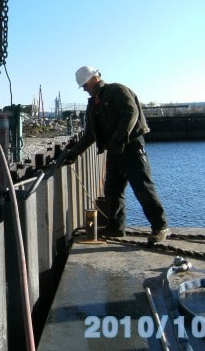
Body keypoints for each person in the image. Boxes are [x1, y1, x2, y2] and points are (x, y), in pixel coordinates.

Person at [64, 66, 170, 244]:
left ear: (95, 79)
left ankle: (160, 227)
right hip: (115, 150)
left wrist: (119, 138)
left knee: (142, 187)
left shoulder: (117, 91)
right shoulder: (93, 104)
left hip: (131, 146)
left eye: (85, 85)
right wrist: (73, 153)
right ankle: (116, 228)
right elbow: (91, 134)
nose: (84, 89)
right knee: (112, 189)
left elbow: (131, 113)